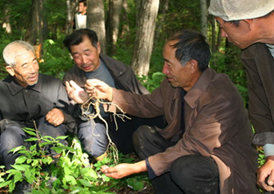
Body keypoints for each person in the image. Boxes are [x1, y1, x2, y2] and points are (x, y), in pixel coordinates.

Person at [69, 30, 259, 193]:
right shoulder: (174, 83)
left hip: (222, 163)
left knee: (184, 168)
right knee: (144, 136)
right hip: (187, 148)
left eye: (169, 64)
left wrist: (135, 168)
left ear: (191, 65)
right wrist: (111, 94)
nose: (164, 70)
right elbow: (146, 104)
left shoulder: (220, 96)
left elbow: (192, 147)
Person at [208, 0, 274, 191]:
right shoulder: (253, 51)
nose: (223, 35)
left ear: (246, 23)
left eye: (222, 26)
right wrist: (272, 157)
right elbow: (260, 105)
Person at [63, 28, 163, 161]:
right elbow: (73, 117)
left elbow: (142, 101)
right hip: (101, 125)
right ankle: (107, 166)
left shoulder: (120, 69)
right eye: (77, 56)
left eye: (88, 53)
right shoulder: (71, 79)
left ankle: (154, 154)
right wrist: (85, 104)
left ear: (98, 47)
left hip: (126, 118)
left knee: (158, 116)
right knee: (89, 134)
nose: (84, 60)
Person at [0, 41, 75, 172]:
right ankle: (21, 183)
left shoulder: (53, 85)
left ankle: (51, 176)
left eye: (34, 62)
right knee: (9, 137)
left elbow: (75, 121)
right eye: (25, 66)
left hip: (48, 145)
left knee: (50, 126)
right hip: (15, 149)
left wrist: (64, 116)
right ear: (11, 70)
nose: (33, 70)